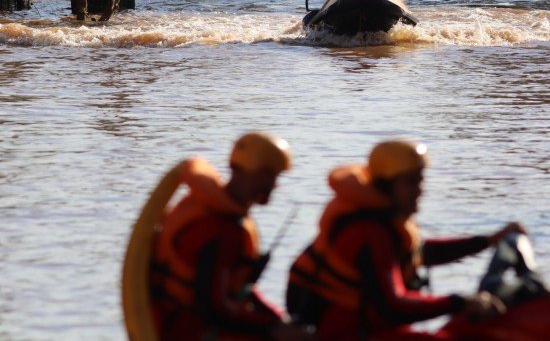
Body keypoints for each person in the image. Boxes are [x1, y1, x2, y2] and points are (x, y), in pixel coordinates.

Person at [286, 140, 525, 341]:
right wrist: (460, 302)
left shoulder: (380, 221)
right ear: (386, 185)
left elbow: (420, 254)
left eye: (420, 181)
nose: (420, 190)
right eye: (411, 182)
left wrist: (488, 241)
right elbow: (394, 307)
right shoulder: (369, 232)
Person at [149, 132, 308, 340]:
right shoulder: (220, 230)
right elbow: (213, 308)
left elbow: (239, 290)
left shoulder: (218, 212)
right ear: (249, 172)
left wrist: (277, 319)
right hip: (190, 330)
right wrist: (271, 329)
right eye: (269, 175)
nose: (273, 185)